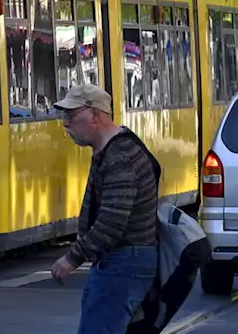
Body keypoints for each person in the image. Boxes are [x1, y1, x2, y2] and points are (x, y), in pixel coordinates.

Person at [50, 83, 159, 334]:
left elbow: (112, 222)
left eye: (72, 115)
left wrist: (72, 258)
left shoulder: (120, 156)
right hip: (121, 261)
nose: (66, 124)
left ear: (95, 115)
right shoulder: (111, 149)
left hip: (123, 262)